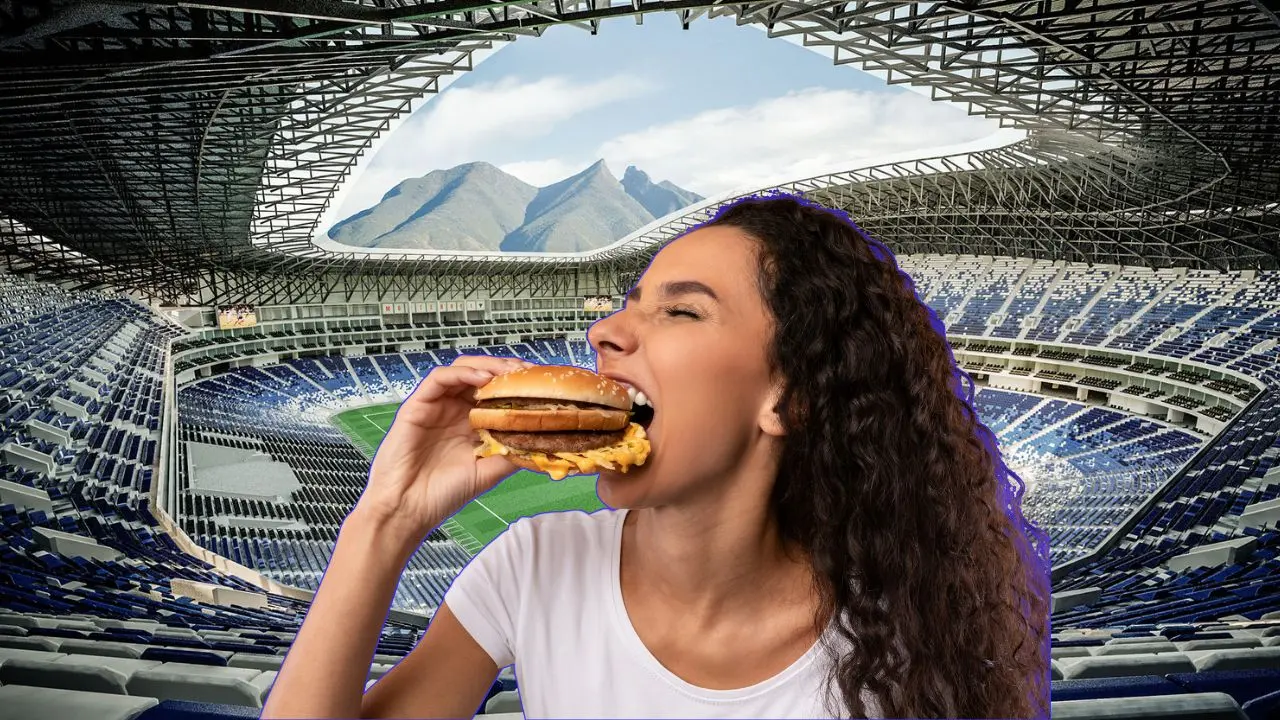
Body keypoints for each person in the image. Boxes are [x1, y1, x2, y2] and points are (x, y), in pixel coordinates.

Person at [261, 193, 1051, 719]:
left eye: (680, 312)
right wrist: (385, 519)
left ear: (788, 398)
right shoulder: (533, 566)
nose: (604, 332)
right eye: (626, 303)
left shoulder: (896, 652)